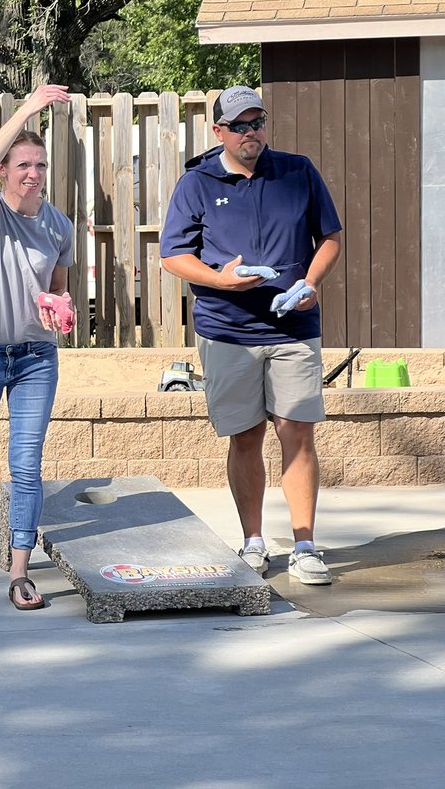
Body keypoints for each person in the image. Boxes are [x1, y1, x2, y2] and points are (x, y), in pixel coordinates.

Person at [159, 85, 343, 586]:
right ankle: (254, 542)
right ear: (218, 131)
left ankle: (305, 545)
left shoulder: (297, 172)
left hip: (292, 326)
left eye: (257, 122)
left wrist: (310, 284)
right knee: (246, 436)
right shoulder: (197, 182)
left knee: (297, 431)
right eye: (239, 125)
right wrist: (220, 279)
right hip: (227, 331)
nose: (250, 133)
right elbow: (174, 254)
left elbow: (329, 238)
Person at [0, 84, 74, 611]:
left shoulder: (60, 225)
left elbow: (61, 287)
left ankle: (21, 571)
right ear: (6, 172)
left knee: (26, 461)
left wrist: (60, 306)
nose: (32, 173)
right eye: (22, 164)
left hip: (34, 359)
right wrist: (27, 108)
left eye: (40, 165)